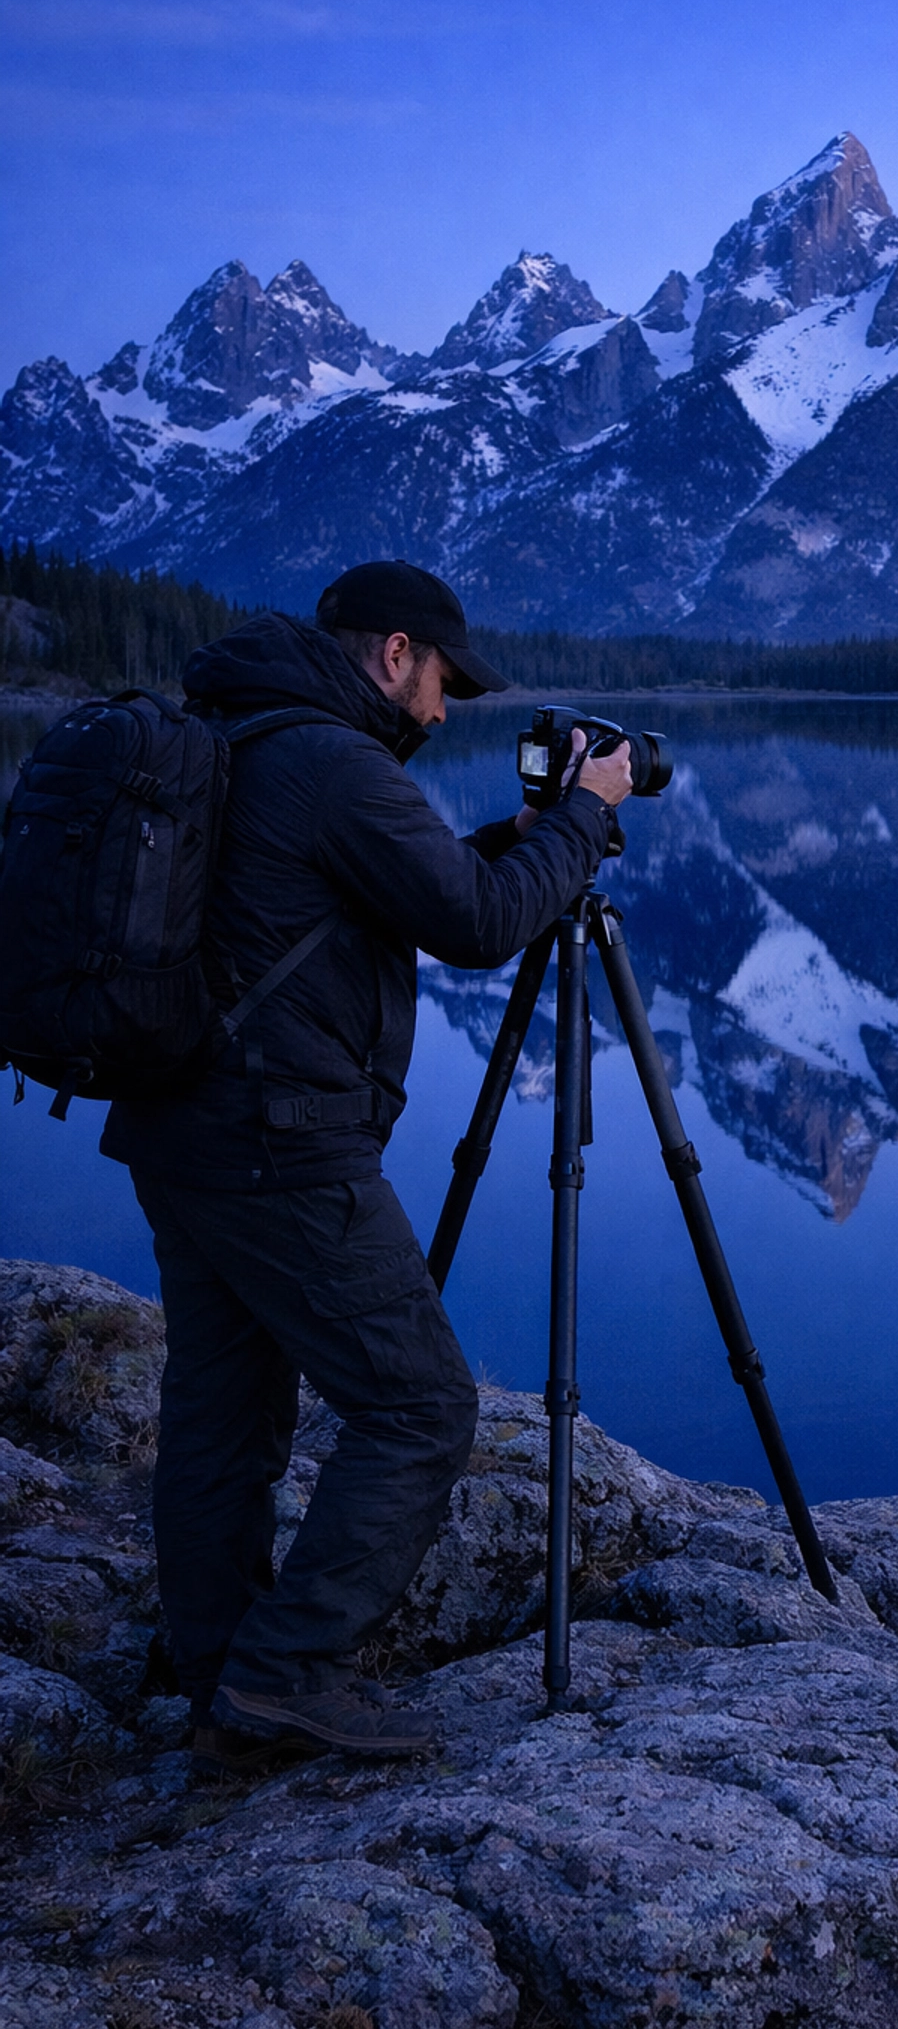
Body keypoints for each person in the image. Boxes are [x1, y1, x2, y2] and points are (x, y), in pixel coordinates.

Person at [101, 560, 632, 1769]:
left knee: (223, 1415)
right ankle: (286, 1676)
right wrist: (586, 819)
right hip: (279, 1143)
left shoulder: (239, 730)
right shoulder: (334, 763)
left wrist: (527, 838)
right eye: (444, 681)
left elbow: (402, 884)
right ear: (396, 653)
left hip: (179, 1125)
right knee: (421, 1406)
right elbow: (482, 923)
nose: (444, 711)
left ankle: (219, 1671)